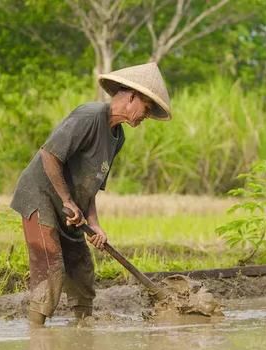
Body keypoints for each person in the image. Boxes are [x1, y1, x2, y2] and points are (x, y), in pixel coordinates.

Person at [10, 63, 172, 326]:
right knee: (51, 269)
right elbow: (49, 155)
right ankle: (37, 334)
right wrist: (66, 200)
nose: (147, 116)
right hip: (40, 196)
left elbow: (91, 186)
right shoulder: (89, 116)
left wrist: (94, 223)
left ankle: (83, 329)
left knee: (82, 271)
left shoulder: (117, 137)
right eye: (147, 108)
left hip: (72, 207)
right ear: (131, 96)